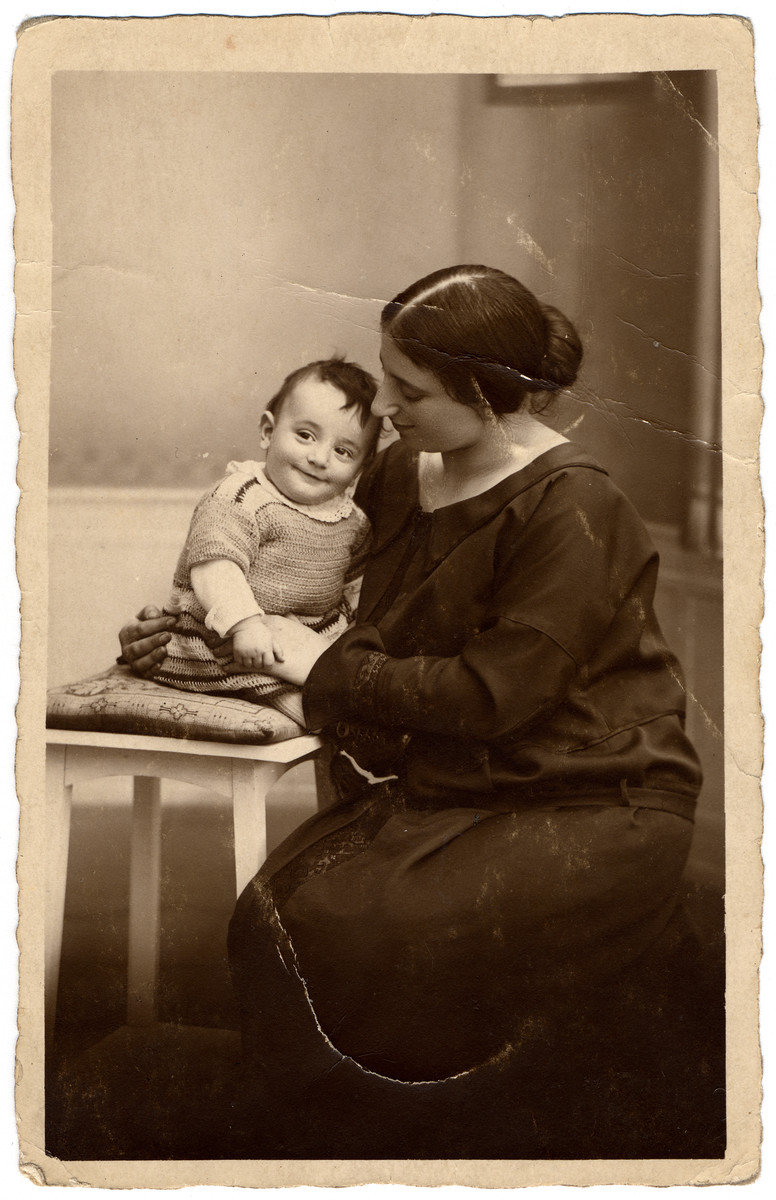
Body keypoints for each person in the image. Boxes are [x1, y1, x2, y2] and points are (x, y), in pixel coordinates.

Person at [120, 266, 722, 1159]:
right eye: (385, 375)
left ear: (488, 393)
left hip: (593, 795)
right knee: (285, 913)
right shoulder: (403, 471)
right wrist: (202, 621)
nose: (386, 408)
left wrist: (319, 668)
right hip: (454, 773)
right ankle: (332, 1135)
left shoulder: (577, 506)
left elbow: (488, 697)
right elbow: (303, 565)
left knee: (377, 935)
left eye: (411, 390)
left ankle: (429, 1151)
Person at [153, 357, 380, 725]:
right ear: (267, 432)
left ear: (361, 467)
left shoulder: (351, 522)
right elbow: (215, 567)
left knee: (347, 683)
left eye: (343, 451)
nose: (319, 458)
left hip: (302, 641)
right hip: (226, 642)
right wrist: (245, 626)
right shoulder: (241, 497)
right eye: (305, 435)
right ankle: (332, 728)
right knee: (323, 712)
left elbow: (356, 589)